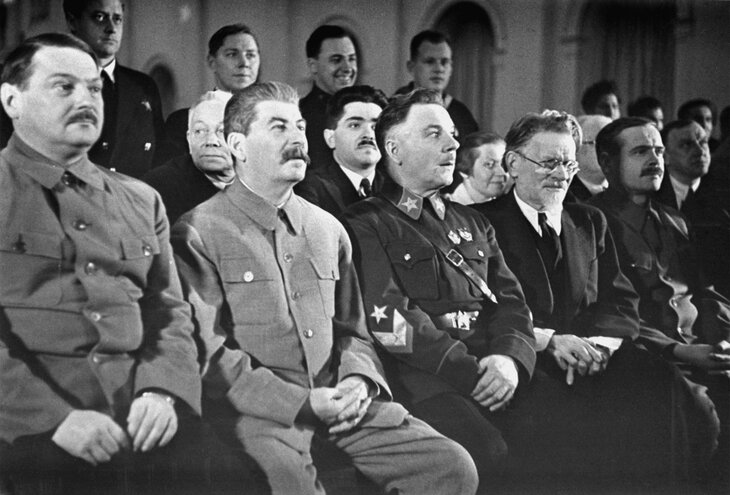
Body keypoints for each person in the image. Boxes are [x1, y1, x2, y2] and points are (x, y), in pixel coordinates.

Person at [171, 81, 478, 495]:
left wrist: (359, 381)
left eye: (300, 126)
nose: (298, 138)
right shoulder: (199, 231)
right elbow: (210, 355)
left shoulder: (327, 228)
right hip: (262, 415)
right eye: (279, 127)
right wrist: (300, 403)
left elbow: (355, 332)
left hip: (343, 404)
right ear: (238, 146)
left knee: (451, 466)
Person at [0, 33, 264, 495]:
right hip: (27, 427)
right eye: (64, 87)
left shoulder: (141, 200)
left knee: (241, 482)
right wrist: (53, 419)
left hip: (143, 416)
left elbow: (170, 312)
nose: (85, 100)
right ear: (11, 100)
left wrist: (162, 391)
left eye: (94, 88)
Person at [472, 110, 719, 485]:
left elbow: (621, 301)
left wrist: (600, 346)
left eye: (568, 164)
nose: (561, 174)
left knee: (660, 382)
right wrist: (552, 342)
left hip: (594, 355)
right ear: (513, 164)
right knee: (567, 418)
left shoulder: (588, 221)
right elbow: (480, 309)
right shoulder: (480, 223)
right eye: (549, 163)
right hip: (529, 355)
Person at [342, 89, 540, 492]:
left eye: (453, 134)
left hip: (496, 369)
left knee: (569, 423)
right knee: (489, 451)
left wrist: (509, 360)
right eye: (434, 134)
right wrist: (471, 372)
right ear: (394, 149)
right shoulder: (365, 223)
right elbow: (388, 318)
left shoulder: (474, 222)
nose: (452, 144)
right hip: (426, 381)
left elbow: (512, 303)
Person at [590, 117, 730, 490]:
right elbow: (607, 312)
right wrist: (683, 352)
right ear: (607, 163)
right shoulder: (590, 223)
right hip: (649, 355)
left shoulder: (674, 220)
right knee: (700, 413)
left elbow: (704, 293)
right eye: (640, 152)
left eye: (658, 151)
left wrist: (723, 340)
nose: (654, 160)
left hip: (703, 348)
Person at [64, 0, 165, 178]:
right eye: (99, 17)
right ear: (73, 22)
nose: (111, 28)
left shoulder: (143, 86)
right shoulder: (57, 84)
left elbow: (159, 158)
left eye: (117, 19)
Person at [161, 23, 260, 162]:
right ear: (212, 62)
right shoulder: (183, 123)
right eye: (232, 54)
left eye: (250, 55)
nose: (244, 63)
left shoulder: (274, 120)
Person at [656, 119, 730, 297]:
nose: (699, 151)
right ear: (665, 156)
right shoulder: (651, 195)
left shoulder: (724, 191)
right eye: (686, 145)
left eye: (703, 142)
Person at [295, 85, 387, 217]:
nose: (368, 134)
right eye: (355, 125)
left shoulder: (398, 187)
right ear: (331, 138)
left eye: (375, 127)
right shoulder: (308, 188)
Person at [145, 91, 235, 225]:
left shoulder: (260, 181)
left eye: (221, 131)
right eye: (199, 131)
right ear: (189, 139)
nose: (211, 141)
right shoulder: (157, 189)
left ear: (239, 140)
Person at [395, 30, 478, 141]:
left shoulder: (462, 115)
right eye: (430, 61)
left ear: (451, 68)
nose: (439, 69)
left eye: (444, 62)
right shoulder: (393, 109)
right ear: (411, 67)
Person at [300, 25, 358, 170]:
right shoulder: (301, 116)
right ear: (313, 65)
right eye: (336, 60)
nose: (347, 68)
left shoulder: (369, 110)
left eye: (352, 59)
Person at [447, 131, 511, 205]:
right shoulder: (448, 208)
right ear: (464, 171)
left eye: (504, 163)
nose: (502, 172)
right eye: (489, 164)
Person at [566, 114, 611, 202]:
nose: (611, 150)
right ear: (576, 147)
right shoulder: (564, 195)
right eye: (603, 143)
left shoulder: (627, 189)